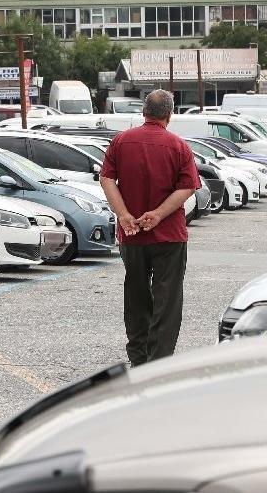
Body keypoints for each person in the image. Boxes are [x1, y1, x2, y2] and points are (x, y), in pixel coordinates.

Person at [100, 89, 201, 367]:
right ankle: (159, 362)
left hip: (131, 235)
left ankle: (139, 359)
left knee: (136, 295)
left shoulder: (121, 141)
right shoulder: (179, 146)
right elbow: (188, 187)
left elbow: (107, 178)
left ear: (144, 112)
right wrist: (158, 214)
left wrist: (123, 215)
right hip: (169, 235)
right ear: (169, 115)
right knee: (167, 300)